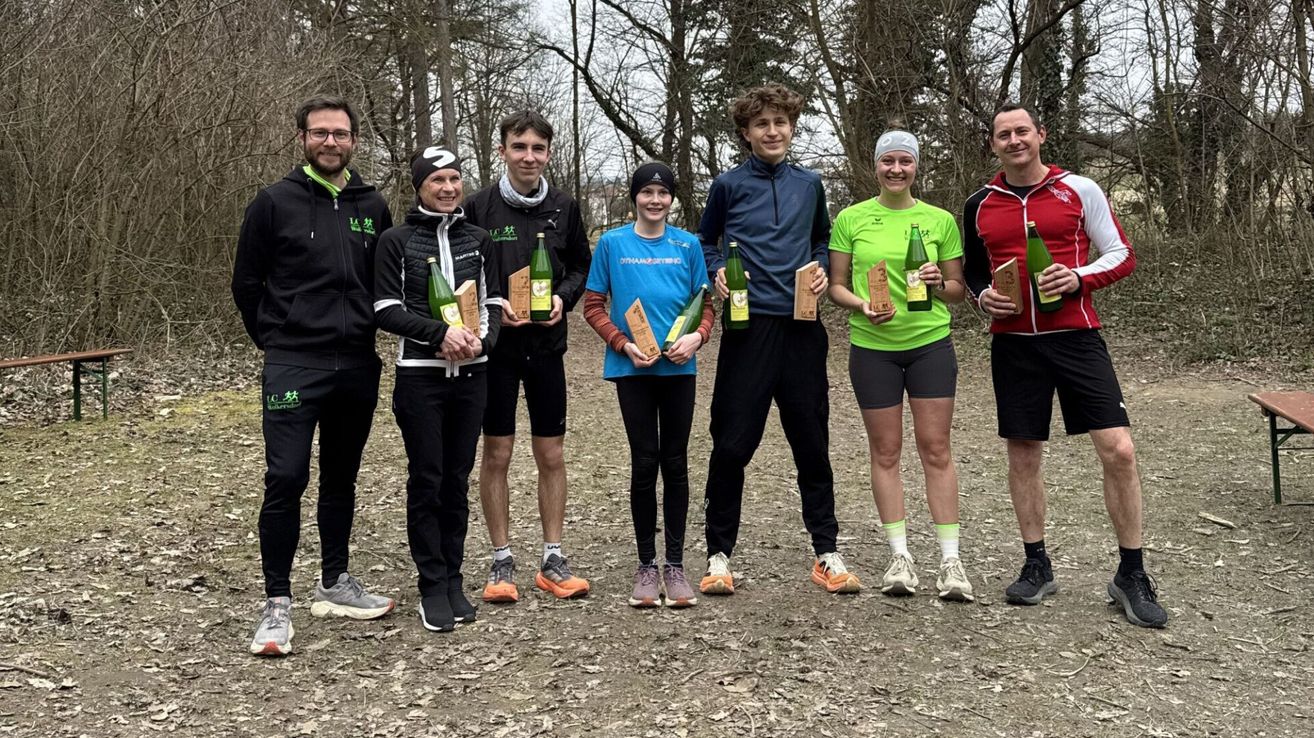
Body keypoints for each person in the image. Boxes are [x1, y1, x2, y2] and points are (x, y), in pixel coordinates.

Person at [963, 104, 1168, 628]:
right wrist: (983, 298)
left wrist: (1079, 277)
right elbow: (971, 277)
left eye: (1022, 131)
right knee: (1024, 453)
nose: (1014, 140)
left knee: (1118, 449)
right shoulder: (979, 204)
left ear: (1040, 135)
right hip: (1014, 345)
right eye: (1003, 134)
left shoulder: (1080, 189)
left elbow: (1121, 254)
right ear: (993, 144)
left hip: (1076, 337)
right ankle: (1037, 564)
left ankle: (1132, 573)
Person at [232, 95, 396, 657]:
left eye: (341, 133)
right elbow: (246, 285)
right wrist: (279, 339)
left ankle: (335, 579)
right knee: (286, 478)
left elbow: (386, 284)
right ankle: (277, 604)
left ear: (355, 140)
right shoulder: (273, 202)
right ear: (302, 137)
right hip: (293, 363)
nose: (331, 142)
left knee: (341, 477)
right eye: (320, 133)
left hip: (356, 364)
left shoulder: (372, 205)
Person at [697, 84, 861, 596]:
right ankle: (718, 555)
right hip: (748, 328)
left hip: (802, 327)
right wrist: (718, 270)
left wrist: (817, 268)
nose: (773, 131)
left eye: (781, 122)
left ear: (792, 127)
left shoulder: (810, 184)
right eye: (762, 124)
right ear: (746, 134)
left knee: (812, 442)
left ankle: (826, 552)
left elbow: (821, 238)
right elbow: (706, 240)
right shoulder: (726, 185)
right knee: (731, 443)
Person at [827, 131, 973, 601]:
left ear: (916, 167)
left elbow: (957, 291)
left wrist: (935, 281)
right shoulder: (851, 219)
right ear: (875, 166)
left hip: (930, 343)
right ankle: (900, 557)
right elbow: (835, 285)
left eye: (904, 161)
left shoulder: (939, 220)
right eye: (887, 160)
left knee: (936, 449)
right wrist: (862, 305)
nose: (896, 169)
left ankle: (951, 562)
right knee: (886, 452)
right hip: (872, 347)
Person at [463, 111, 593, 602]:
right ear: (502, 151)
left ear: (549, 153)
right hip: (495, 350)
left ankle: (552, 557)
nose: (529, 157)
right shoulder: (477, 207)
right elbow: (464, 268)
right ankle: (501, 561)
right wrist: (494, 306)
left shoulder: (565, 207)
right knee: (496, 453)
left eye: (538, 148)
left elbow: (581, 263)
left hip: (546, 348)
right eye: (520, 147)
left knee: (551, 453)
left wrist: (564, 298)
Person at [373, 147, 502, 632]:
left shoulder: (478, 239)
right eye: (437, 181)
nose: (447, 188)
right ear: (419, 186)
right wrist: (439, 334)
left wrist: (480, 342)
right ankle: (430, 585)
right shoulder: (396, 240)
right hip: (420, 377)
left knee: (457, 479)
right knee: (427, 479)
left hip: (472, 376)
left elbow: (491, 300)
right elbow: (384, 307)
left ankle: (452, 577)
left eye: (454, 179)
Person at [581, 162, 713, 608]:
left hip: (678, 369)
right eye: (646, 192)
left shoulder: (688, 244)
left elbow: (706, 304)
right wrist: (621, 344)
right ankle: (645, 565)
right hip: (632, 370)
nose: (655, 200)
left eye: (663, 193)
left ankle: (674, 566)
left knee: (675, 462)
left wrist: (697, 338)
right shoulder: (613, 244)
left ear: (671, 199)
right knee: (644, 462)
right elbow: (594, 305)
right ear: (634, 197)